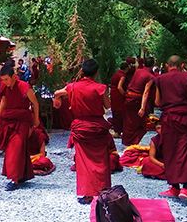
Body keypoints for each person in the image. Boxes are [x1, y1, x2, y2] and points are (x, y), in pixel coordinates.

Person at [54, 59, 113, 204]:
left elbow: (57, 93)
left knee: (83, 162)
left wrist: (58, 102)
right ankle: (103, 192)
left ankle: (86, 194)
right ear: (96, 72)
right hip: (97, 127)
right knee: (101, 161)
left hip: (81, 127)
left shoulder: (72, 87)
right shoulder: (100, 88)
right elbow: (107, 106)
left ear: (82, 71)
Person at [154, 55, 187, 204]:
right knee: (186, 151)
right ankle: (186, 189)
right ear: (182, 65)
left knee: (170, 151)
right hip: (185, 118)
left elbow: (157, 101)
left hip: (168, 119)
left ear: (168, 66)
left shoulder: (160, 79)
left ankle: (174, 187)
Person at [0, 61, 40, 190]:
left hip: (22, 122)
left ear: (14, 77)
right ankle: (23, 175)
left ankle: (14, 179)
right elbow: (4, 101)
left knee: (16, 147)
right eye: (3, 80)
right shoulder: (5, 87)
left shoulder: (25, 87)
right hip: (9, 121)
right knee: (16, 149)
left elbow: (35, 104)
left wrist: (36, 120)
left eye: (7, 79)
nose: (5, 82)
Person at [121, 57, 156, 146]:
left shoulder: (138, 71)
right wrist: (143, 108)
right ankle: (133, 143)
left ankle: (127, 143)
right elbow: (146, 92)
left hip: (128, 98)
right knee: (141, 125)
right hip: (137, 100)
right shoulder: (150, 76)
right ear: (153, 65)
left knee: (129, 123)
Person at [109, 62, 128, 137]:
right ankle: (119, 131)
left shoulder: (116, 73)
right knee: (120, 112)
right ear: (126, 68)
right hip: (118, 95)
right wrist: (125, 94)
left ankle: (117, 130)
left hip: (113, 94)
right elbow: (119, 87)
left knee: (115, 111)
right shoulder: (122, 75)